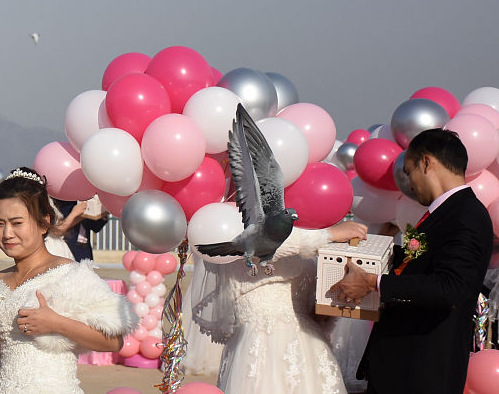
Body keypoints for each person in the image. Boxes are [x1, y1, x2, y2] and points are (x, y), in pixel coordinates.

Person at [327, 128, 493, 394]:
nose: (409, 183)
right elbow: (415, 264)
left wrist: (373, 282)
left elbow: (449, 288)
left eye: (409, 171)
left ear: (427, 163)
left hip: (422, 369)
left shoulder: (465, 216)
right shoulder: (443, 213)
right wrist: (367, 253)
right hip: (402, 365)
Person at [0, 167, 136, 394]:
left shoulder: (71, 274)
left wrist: (56, 323)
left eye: (17, 223)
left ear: (43, 222)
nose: (7, 233)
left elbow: (113, 342)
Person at [191, 219, 368, 394]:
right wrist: (328, 235)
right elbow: (251, 244)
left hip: (307, 341)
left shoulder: (299, 216)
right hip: (265, 340)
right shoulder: (235, 217)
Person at [52, 197, 109, 262]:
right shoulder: (58, 203)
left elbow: (95, 227)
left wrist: (102, 212)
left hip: (84, 251)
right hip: (64, 250)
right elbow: (57, 230)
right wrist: (75, 214)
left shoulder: (83, 200)